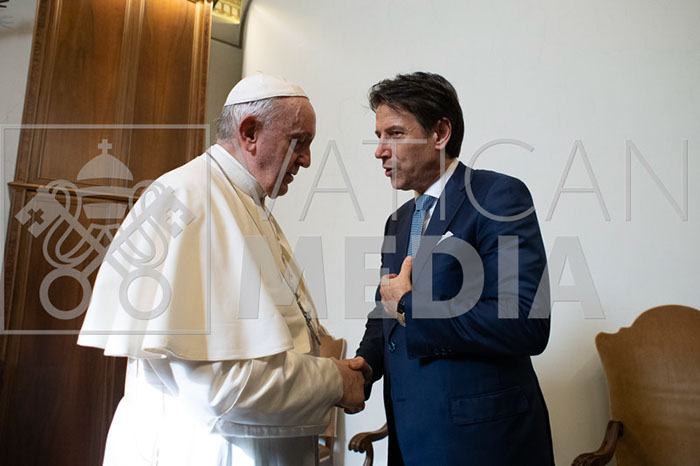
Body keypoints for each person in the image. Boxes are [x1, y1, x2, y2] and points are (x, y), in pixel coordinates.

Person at [78, 74, 366, 466]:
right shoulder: (191, 200)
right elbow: (222, 386)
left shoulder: (241, 202)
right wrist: (333, 381)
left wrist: (333, 369)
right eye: (298, 141)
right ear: (250, 132)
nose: (306, 159)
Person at [349, 72, 554, 465]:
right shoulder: (398, 222)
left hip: (485, 444)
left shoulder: (498, 197)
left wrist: (410, 306)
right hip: (410, 439)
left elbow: (525, 321)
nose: (380, 151)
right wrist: (365, 366)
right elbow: (387, 309)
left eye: (395, 134)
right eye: (378, 136)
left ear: (440, 133)